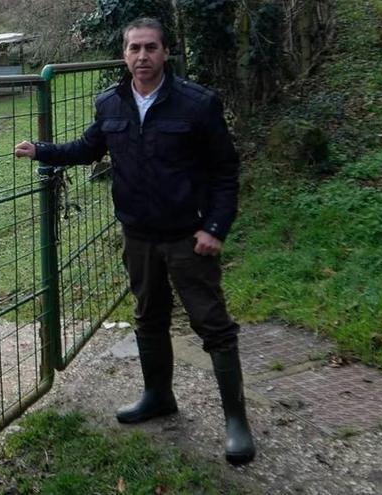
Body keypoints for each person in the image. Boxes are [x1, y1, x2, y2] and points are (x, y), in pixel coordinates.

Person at [14, 18, 255, 465]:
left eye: (150, 48)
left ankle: (236, 421)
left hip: (188, 236)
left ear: (166, 53)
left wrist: (215, 228)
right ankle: (158, 396)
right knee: (148, 317)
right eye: (134, 49)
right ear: (124, 55)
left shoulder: (197, 104)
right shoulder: (110, 103)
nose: (142, 56)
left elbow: (225, 172)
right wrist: (42, 151)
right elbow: (89, 149)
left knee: (213, 325)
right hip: (138, 236)